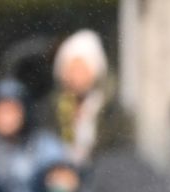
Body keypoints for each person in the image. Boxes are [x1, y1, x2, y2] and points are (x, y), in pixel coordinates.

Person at [35, 30, 132, 165]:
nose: (76, 77)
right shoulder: (50, 109)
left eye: (82, 70)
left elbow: (120, 153)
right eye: (71, 69)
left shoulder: (112, 112)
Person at [0, 77, 66, 192]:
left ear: (25, 112)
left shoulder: (44, 144)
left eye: (12, 110)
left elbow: (63, 186)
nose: (6, 117)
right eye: (1, 110)